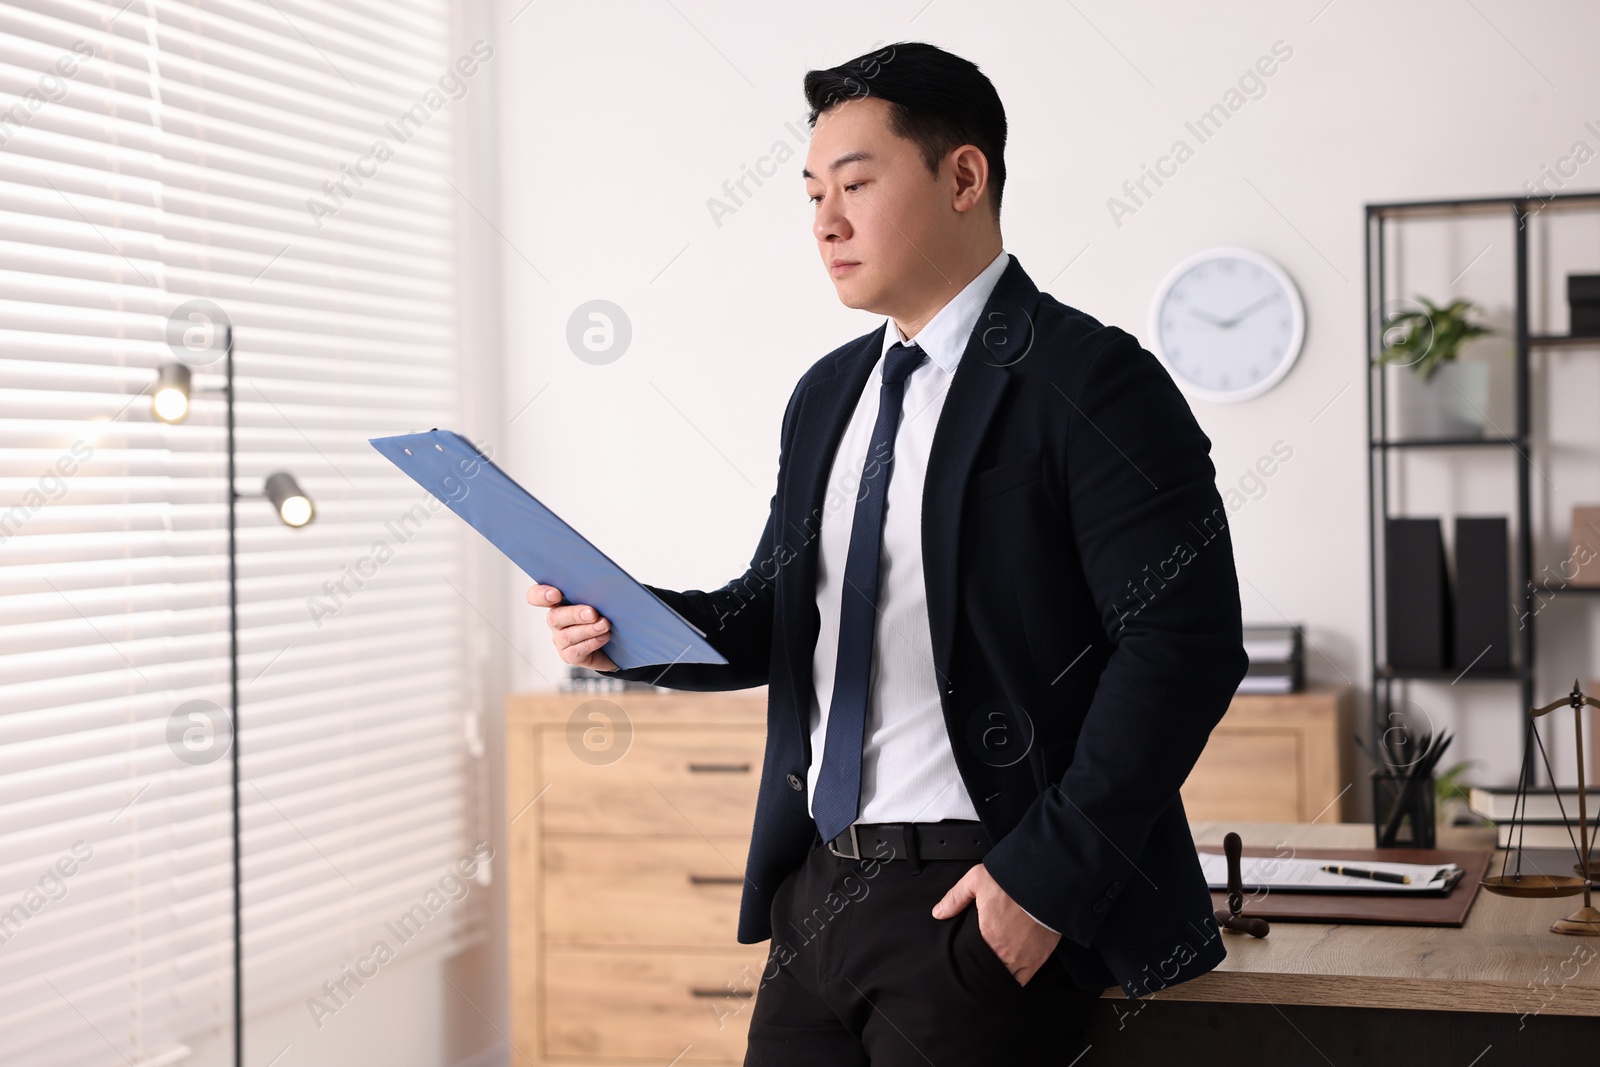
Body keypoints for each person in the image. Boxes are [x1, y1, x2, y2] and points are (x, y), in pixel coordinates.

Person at [529, 40, 1249, 1066]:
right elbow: (778, 611)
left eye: (856, 184)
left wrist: (1039, 882)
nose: (825, 221)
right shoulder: (828, 394)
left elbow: (1182, 642)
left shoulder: (1091, 380)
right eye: (812, 192)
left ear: (963, 176)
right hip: (816, 896)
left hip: (976, 894)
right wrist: (628, 630)